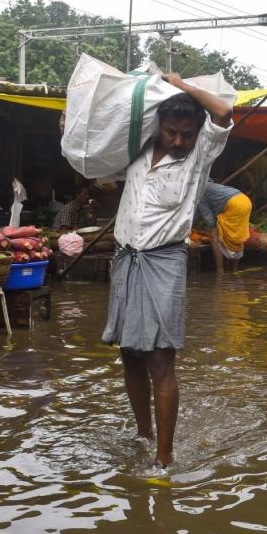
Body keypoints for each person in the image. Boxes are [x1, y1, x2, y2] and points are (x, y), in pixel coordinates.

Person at [102, 72, 233, 470]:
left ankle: (164, 457)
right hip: (126, 259)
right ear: (158, 127)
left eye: (186, 134)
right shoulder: (139, 153)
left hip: (164, 262)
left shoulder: (198, 158)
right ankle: (143, 436)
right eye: (171, 132)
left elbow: (224, 111)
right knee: (129, 356)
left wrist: (182, 85)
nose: (178, 141)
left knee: (161, 360)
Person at [196, 180, 252, 274]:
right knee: (237, 235)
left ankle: (220, 271)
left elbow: (207, 214)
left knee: (215, 238)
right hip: (245, 201)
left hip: (234, 204)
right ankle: (234, 271)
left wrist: (213, 228)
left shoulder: (199, 190)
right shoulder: (209, 184)